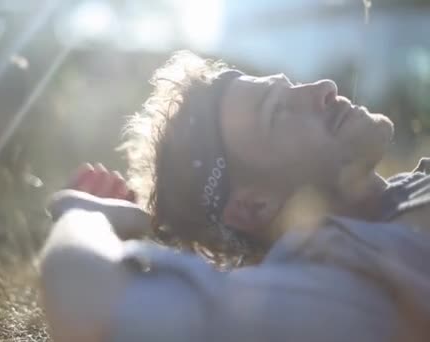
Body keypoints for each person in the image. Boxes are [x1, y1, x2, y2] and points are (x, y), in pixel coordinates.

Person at [37, 51, 430, 341]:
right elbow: (85, 304)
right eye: (278, 113)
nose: (323, 89)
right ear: (255, 205)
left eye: (290, 87)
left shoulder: (404, 203)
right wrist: (84, 213)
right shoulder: (349, 277)